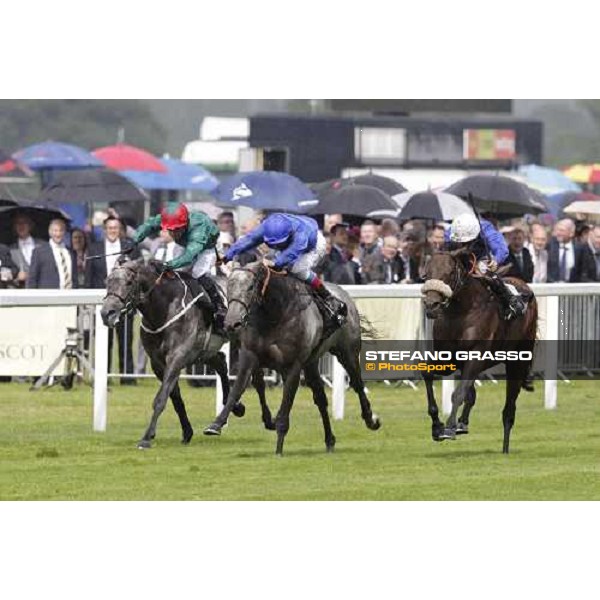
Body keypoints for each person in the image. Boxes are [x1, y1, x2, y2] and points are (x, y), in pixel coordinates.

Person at [224, 212, 347, 333]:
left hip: (312, 246)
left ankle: (327, 296)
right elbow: (248, 240)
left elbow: (292, 253)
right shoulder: (266, 227)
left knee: (296, 269)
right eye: (271, 243)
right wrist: (227, 255)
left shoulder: (301, 234)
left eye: (277, 243)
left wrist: (276, 263)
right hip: (289, 244)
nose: (274, 245)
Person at [132, 201, 227, 335]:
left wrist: (168, 265)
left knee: (197, 272)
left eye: (177, 229)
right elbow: (148, 226)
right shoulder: (168, 219)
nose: (174, 233)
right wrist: (134, 241)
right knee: (178, 273)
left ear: (185, 224)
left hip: (208, 246)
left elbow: (189, 257)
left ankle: (219, 307)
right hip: (187, 243)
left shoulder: (197, 230)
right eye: (170, 230)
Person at [86, 216, 140, 384]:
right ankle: (104, 376)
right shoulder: (94, 248)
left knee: (126, 340)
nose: (113, 231)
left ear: (120, 230)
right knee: (104, 341)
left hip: (124, 301)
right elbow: (89, 277)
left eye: (115, 228)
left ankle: (127, 377)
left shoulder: (129, 247)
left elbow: (136, 274)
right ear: (104, 230)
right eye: (109, 228)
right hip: (102, 301)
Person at [446, 213, 526, 320]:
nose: (465, 243)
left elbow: (501, 248)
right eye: (462, 241)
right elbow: (445, 248)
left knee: (483, 269)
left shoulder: (486, 229)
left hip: (479, 260)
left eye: (467, 241)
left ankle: (511, 301)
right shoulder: (452, 230)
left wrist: (496, 261)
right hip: (458, 258)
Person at [27, 218, 78, 289]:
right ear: (50, 232)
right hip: (48, 297)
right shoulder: (39, 252)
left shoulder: (71, 252)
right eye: (55, 231)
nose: (58, 234)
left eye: (61, 230)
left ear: (64, 232)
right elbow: (32, 278)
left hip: (69, 296)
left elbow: (74, 278)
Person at [547, 219, 596, 283]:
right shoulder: (550, 245)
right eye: (557, 230)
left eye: (562, 230)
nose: (558, 233)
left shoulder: (580, 248)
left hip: (572, 288)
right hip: (551, 287)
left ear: (571, 233)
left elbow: (583, 271)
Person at [9, 213, 44, 287]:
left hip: (41, 290)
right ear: (14, 227)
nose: (21, 226)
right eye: (18, 223)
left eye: (24, 222)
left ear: (30, 225)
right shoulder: (10, 250)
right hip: (21, 292)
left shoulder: (43, 246)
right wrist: (17, 278)